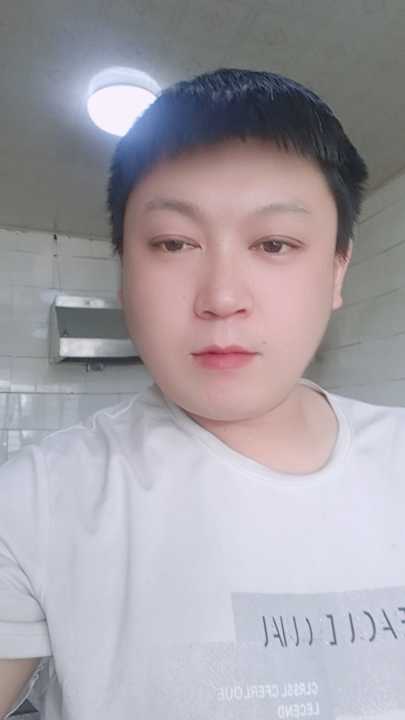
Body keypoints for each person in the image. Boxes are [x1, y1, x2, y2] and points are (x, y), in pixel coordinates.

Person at [1, 67, 404, 720]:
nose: (220, 297)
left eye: (274, 243)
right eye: (173, 243)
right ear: (124, 271)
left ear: (337, 270)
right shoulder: (35, 504)